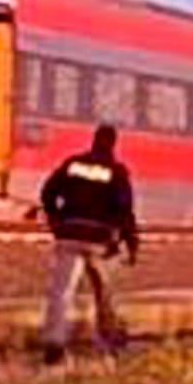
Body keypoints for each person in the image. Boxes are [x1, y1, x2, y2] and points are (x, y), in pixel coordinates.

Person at [38, 123, 138, 365]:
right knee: (104, 293)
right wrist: (131, 244)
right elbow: (125, 213)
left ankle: (54, 343)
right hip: (99, 241)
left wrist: (57, 220)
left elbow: (48, 192)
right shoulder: (116, 171)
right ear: (113, 144)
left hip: (69, 234)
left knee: (61, 292)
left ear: (93, 140)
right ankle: (109, 341)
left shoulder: (73, 163)